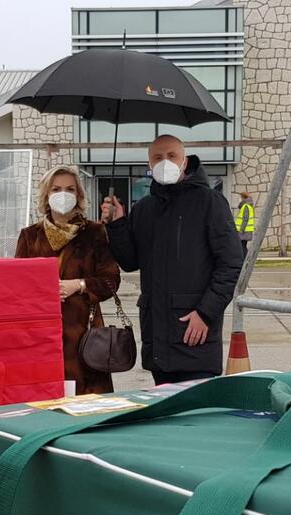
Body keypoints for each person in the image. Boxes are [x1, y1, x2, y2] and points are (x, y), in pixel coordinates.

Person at [100, 135, 243, 386]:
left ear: (184, 162)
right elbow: (131, 261)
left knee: (195, 417)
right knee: (165, 419)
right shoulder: (144, 208)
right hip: (158, 339)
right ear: (149, 163)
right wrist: (118, 224)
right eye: (157, 157)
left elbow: (230, 264)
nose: (164, 162)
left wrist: (206, 313)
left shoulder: (210, 202)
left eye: (171, 156)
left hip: (194, 334)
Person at [15, 165, 120, 394]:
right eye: (56, 189)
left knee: (89, 408)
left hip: (85, 338)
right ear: (46, 195)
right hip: (43, 338)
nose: (63, 194)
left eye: (70, 189)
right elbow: (17, 288)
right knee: (48, 405)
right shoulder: (30, 236)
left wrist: (80, 285)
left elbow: (111, 281)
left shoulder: (94, 233)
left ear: (79, 196)